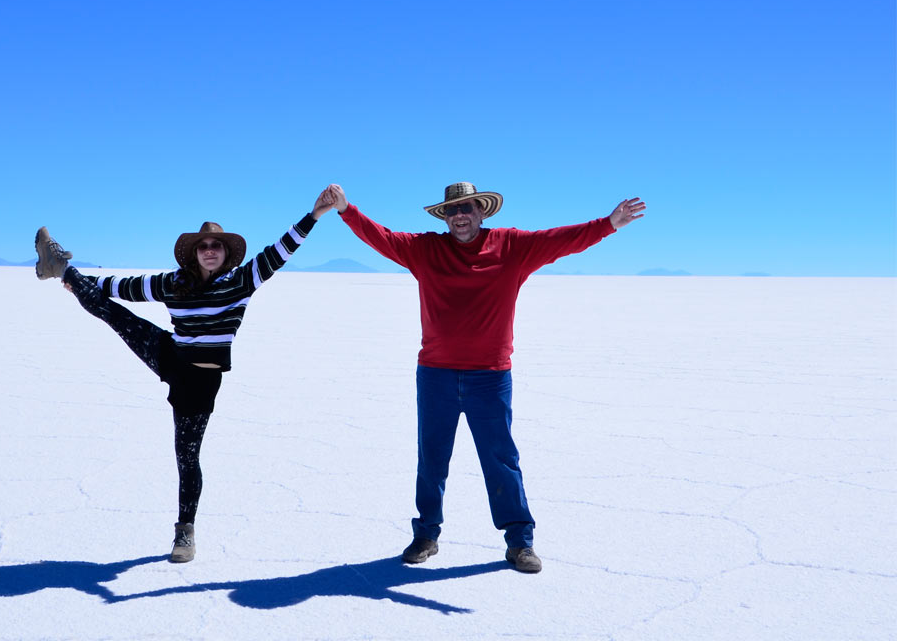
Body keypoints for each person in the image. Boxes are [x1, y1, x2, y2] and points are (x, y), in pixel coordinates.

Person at [326, 182, 646, 574]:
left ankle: (519, 542)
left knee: (501, 460)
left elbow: (560, 240)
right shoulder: (425, 250)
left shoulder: (512, 247)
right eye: (452, 210)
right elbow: (383, 238)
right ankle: (426, 534)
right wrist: (346, 209)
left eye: (468, 208)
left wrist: (608, 224)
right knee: (432, 459)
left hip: (490, 377)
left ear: (483, 211)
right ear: (445, 217)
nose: (460, 216)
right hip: (436, 375)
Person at [33, 187, 337, 563]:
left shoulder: (241, 283)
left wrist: (315, 215)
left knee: (186, 456)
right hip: (168, 355)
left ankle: (185, 533)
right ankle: (60, 266)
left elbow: (278, 253)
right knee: (111, 312)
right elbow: (125, 288)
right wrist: (86, 285)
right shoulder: (175, 283)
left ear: (226, 254)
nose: (210, 249)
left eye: (217, 245)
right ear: (194, 252)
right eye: (203, 245)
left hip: (200, 383)